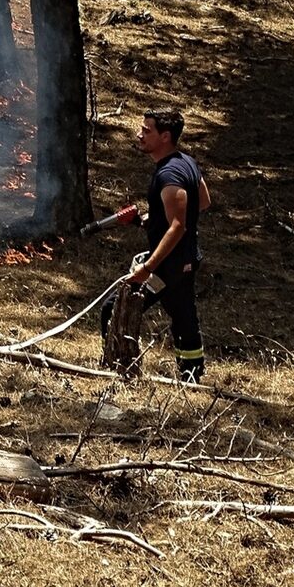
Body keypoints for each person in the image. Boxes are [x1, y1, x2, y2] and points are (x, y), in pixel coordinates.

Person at [101, 108, 212, 382]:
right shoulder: (186, 162)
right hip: (186, 260)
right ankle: (192, 376)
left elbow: (178, 226)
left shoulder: (169, 175)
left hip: (167, 267)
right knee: (184, 316)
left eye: (147, 131)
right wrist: (158, 216)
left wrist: (148, 268)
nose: (139, 134)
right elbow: (204, 201)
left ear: (165, 137)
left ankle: (118, 368)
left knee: (112, 308)